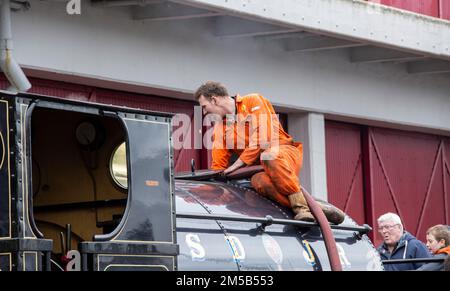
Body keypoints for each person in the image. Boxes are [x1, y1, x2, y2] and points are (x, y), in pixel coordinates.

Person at [194, 81, 344, 224]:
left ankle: (302, 208)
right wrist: (212, 188)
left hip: (283, 152)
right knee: (260, 182)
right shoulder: (220, 129)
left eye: (205, 106)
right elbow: (218, 166)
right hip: (261, 167)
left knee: (269, 155)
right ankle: (316, 209)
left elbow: (263, 138)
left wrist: (239, 163)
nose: (205, 112)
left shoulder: (253, 101)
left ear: (214, 100)